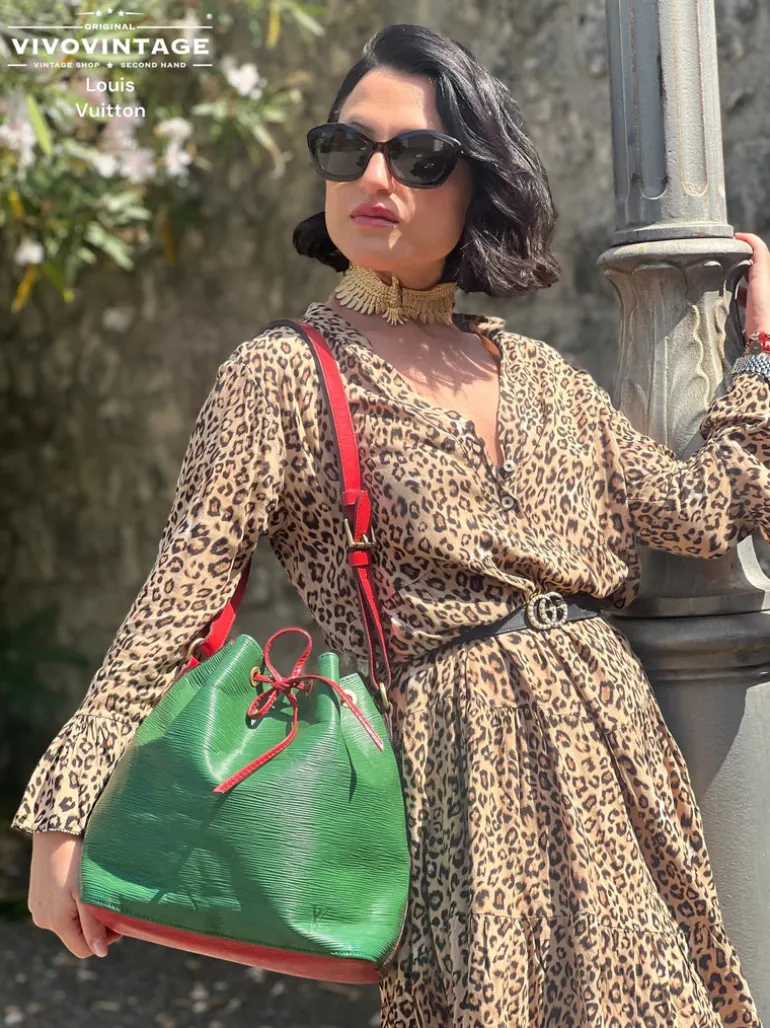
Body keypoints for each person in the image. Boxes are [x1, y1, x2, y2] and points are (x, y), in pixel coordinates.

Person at [14, 22, 769, 1028]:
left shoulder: (541, 376)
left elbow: (701, 511)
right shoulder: (281, 375)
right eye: (346, 147)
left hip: (614, 757)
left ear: (478, 185)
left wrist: (757, 357)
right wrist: (62, 814)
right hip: (453, 777)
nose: (374, 176)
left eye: (418, 156)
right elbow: (177, 600)